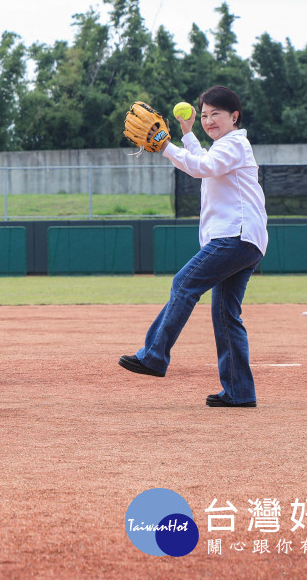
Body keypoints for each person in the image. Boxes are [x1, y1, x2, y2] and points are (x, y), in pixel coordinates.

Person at [118, 86, 268, 407]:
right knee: (226, 316)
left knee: (184, 283)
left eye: (216, 113)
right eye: (204, 114)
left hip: (234, 237)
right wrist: (186, 135)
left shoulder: (234, 143)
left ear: (234, 117)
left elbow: (204, 168)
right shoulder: (226, 147)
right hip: (244, 240)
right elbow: (204, 162)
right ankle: (239, 393)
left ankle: (155, 355)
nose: (209, 120)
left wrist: (165, 146)